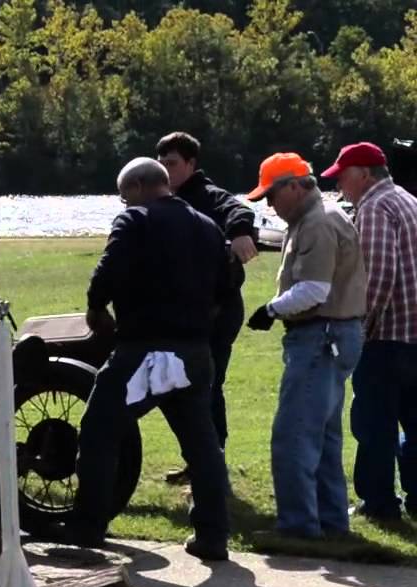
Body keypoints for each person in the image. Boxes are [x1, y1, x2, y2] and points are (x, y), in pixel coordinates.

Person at [52, 157, 233, 562]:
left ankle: (87, 526)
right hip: (193, 350)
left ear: (136, 187)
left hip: (143, 349)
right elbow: (227, 285)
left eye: (124, 196)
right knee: (202, 445)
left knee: (99, 431)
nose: (124, 204)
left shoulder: (134, 219)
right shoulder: (207, 226)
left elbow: (109, 267)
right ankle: (213, 534)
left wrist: (96, 306)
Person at [245, 152, 367, 539]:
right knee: (324, 439)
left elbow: (314, 290)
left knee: (294, 435)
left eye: (272, 195)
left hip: (320, 337)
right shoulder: (318, 217)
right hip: (333, 336)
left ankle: (298, 526)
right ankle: (331, 524)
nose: (269, 205)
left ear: (295, 187)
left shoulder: (317, 222)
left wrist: (271, 309)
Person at [321, 141, 417, 522]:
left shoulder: (375, 207)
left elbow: (377, 277)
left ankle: (378, 502)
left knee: (374, 422)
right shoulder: (407, 200)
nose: (339, 185)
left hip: (387, 338)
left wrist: (358, 331)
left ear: (363, 174)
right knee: (414, 421)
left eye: (342, 177)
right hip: (413, 333)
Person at [156, 132, 258, 486]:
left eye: (172, 163)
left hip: (218, 311)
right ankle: (199, 461)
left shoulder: (207, 195)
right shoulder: (165, 200)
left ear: (191, 164)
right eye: (161, 163)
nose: (166, 170)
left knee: (207, 387)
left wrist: (241, 231)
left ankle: (213, 467)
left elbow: (239, 209)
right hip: (187, 314)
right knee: (184, 389)